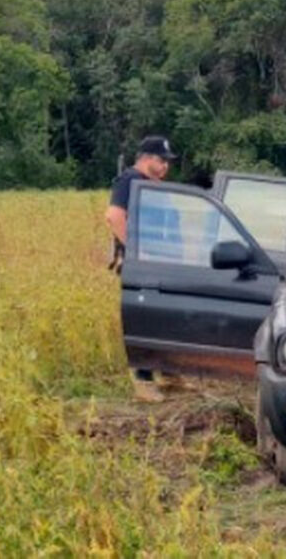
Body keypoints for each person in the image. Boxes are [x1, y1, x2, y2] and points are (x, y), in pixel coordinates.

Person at [104, 135, 185, 403]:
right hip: (142, 264)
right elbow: (114, 216)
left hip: (160, 262)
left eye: (167, 162)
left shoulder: (152, 185)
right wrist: (137, 250)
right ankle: (144, 382)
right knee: (147, 320)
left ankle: (170, 373)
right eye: (161, 161)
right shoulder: (129, 180)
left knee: (165, 318)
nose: (165, 167)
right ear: (147, 158)